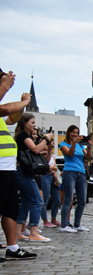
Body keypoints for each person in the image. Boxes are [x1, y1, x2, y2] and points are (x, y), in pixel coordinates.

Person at [0, 70, 36, 261]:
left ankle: (12, 247)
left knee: (10, 209)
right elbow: (6, 109)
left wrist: (22, 106)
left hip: (7, 168)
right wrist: (6, 87)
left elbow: (12, 118)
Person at [13, 113, 50, 242]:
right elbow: (34, 149)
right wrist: (46, 139)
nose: (34, 126)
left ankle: (18, 232)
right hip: (24, 172)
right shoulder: (23, 135)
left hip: (21, 171)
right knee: (37, 201)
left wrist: (41, 151)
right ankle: (34, 231)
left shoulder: (21, 136)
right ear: (25, 123)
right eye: (32, 123)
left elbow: (33, 151)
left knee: (26, 202)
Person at [58, 125, 90, 233]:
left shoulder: (80, 146)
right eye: (73, 132)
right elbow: (70, 154)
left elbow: (87, 158)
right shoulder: (63, 144)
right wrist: (74, 142)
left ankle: (77, 225)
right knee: (68, 199)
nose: (75, 134)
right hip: (69, 172)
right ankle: (64, 225)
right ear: (68, 133)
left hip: (81, 172)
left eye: (77, 133)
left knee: (82, 200)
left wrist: (89, 147)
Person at [39, 139, 61, 228]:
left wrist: (52, 168)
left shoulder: (52, 156)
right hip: (45, 177)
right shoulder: (41, 156)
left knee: (57, 200)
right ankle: (45, 220)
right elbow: (46, 167)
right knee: (45, 200)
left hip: (53, 177)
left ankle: (53, 218)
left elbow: (54, 167)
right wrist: (51, 168)